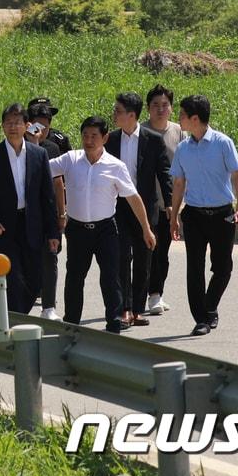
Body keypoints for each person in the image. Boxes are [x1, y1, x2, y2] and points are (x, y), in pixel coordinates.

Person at [50, 116, 157, 334]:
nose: (89, 140)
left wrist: (146, 228)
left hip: (106, 229)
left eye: (94, 136)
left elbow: (133, 198)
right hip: (77, 229)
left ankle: (114, 321)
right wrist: (34, 142)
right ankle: (71, 322)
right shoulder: (70, 159)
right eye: (85, 136)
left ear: (105, 137)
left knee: (111, 276)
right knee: (75, 277)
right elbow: (39, 168)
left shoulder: (116, 166)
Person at [168, 94, 238, 337]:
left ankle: (210, 307)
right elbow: (179, 184)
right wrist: (174, 218)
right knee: (194, 268)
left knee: (223, 267)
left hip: (222, 213)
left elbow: (237, 174)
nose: (178, 119)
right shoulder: (182, 148)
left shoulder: (223, 143)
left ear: (195, 118)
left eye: (182, 115)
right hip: (194, 215)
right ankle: (201, 318)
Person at [0, 103, 60, 314]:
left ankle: (14, 315)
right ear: (3, 126)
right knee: (12, 278)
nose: (13, 127)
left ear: (27, 125)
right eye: (9, 123)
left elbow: (47, 197)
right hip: (4, 228)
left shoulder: (38, 154)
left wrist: (53, 232)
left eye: (18, 122)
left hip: (33, 226)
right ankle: (13, 322)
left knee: (34, 279)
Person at [107, 92, 173, 326]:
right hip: (118, 208)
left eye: (118, 111)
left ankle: (137, 308)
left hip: (145, 208)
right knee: (122, 257)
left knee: (145, 259)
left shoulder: (153, 140)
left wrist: (170, 203)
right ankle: (125, 307)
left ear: (132, 115)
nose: (114, 114)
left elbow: (164, 174)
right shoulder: (111, 140)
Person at [144, 84, 186, 316]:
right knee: (145, 252)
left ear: (171, 108)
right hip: (144, 204)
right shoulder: (141, 132)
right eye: (155, 105)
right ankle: (145, 294)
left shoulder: (178, 131)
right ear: (148, 109)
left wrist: (178, 204)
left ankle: (156, 294)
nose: (160, 109)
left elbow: (182, 169)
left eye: (165, 105)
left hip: (169, 203)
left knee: (162, 253)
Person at [25, 102, 64, 320]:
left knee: (51, 256)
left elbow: (58, 183)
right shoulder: (17, 145)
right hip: (24, 213)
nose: (41, 131)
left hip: (47, 212)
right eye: (37, 126)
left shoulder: (52, 148)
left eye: (46, 127)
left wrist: (61, 213)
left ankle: (49, 306)